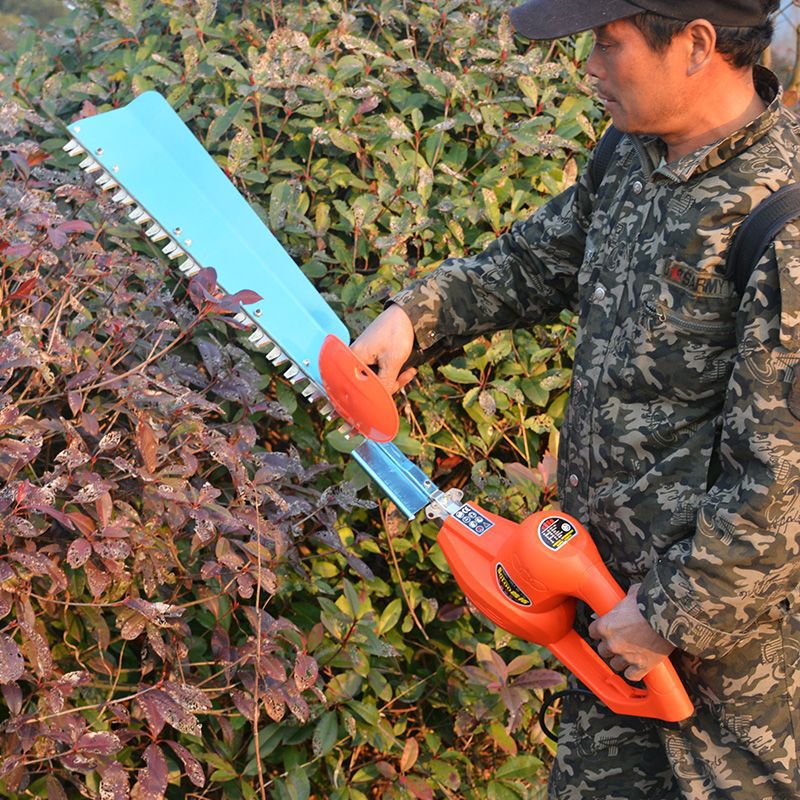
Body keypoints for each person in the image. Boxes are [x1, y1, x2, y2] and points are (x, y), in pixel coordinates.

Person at [351, 1, 800, 798]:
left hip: (733, 688)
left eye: (606, 44)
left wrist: (668, 614)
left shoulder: (781, 223)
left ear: (696, 44)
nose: (589, 68)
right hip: (607, 626)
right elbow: (536, 261)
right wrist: (412, 321)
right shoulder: (632, 154)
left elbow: (783, 485)